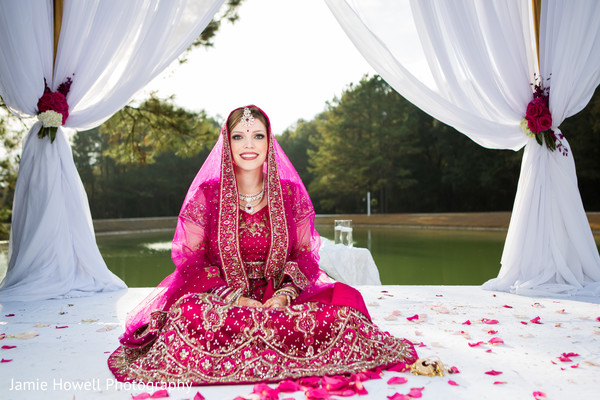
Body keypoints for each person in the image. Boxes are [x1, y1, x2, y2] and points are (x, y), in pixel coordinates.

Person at [108, 105, 417, 385]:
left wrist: (283, 295)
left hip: (282, 301)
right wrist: (235, 300)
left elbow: (305, 256)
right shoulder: (208, 195)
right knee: (186, 316)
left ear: (269, 142)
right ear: (226, 143)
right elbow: (191, 262)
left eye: (257, 135)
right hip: (222, 304)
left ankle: (255, 338)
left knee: (343, 313)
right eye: (239, 137)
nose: (249, 145)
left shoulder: (290, 194)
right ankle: (275, 341)